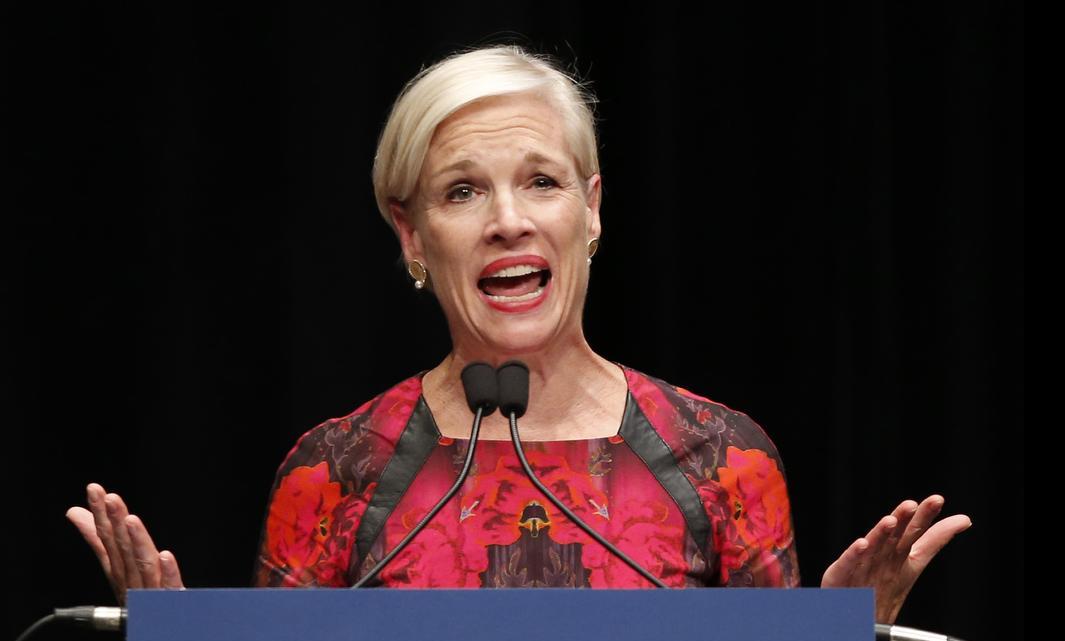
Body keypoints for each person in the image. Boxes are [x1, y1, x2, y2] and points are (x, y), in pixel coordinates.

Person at [67, 45, 971, 623]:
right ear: (412, 234)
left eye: (541, 181)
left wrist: (845, 635)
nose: (508, 221)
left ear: (592, 209)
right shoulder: (334, 469)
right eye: (463, 191)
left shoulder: (720, 457)